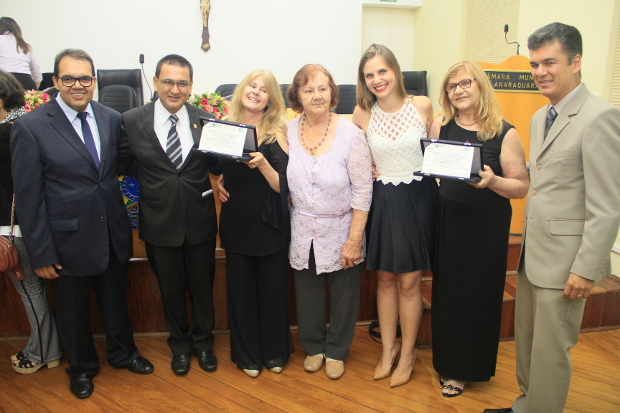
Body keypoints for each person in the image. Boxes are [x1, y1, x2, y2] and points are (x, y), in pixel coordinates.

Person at [483, 23, 620, 413]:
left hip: (567, 263)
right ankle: (527, 404)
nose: (540, 71)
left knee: (551, 351)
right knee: (528, 343)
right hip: (534, 256)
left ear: (576, 62)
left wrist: (586, 269)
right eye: (535, 64)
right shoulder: (540, 117)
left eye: (550, 62)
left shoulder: (600, 117)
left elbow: (607, 204)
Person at [10, 49, 153, 399]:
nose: (78, 85)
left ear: (95, 81)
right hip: (65, 240)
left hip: (110, 232)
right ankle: (82, 368)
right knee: (73, 313)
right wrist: (41, 253)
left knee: (115, 302)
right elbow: (29, 197)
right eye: (69, 78)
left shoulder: (110, 117)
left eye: (85, 78)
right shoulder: (30, 126)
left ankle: (123, 353)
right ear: (55, 81)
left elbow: (119, 168)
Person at [428, 61, 529, 397]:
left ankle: (467, 369)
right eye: (451, 86)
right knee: (450, 294)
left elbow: (521, 186)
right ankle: (448, 363)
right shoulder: (441, 125)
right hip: (450, 220)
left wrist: (493, 180)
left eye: (465, 83)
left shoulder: (504, 131)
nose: (458, 90)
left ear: (480, 85)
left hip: (485, 226)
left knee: (477, 296)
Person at [118, 54, 218, 376]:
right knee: (170, 290)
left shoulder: (205, 120)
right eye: (169, 81)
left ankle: (203, 344)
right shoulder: (132, 120)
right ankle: (179, 345)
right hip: (159, 221)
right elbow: (122, 164)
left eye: (182, 83)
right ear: (156, 82)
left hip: (200, 219)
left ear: (191, 86)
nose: (175, 89)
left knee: (203, 289)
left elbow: (216, 167)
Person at [352, 44, 436, 388]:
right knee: (385, 279)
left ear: (396, 71)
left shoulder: (423, 105)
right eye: (369, 75)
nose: (376, 80)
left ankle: (408, 353)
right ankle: (388, 350)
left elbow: (438, 154)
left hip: (417, 198)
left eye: (382, 71)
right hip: (383, 199)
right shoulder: (361, 113)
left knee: (408, 281)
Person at [287, 64, 373, 380]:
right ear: (297, 95)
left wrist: (354, 239)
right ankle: (313, 347)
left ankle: (337, 350)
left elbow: (364, 191)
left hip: (342, 227)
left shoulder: (351, 134)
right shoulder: (287, 131)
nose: (317, 95)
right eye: (309, 90)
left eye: (323, 88)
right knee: (307, 293)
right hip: (303, 228)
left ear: (333, 92)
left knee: (344, 294)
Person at [215, 69, 292, 378]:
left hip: (270, 223)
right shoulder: (225, 127)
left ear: (271, 99)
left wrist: (262, 164)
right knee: (241, 293)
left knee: (273, 293)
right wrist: (218, 180)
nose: (257, 92)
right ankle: (247, 355)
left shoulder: (279, 132)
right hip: (236, 223)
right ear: (242, 89)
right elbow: (212, 165)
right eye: (252, 85)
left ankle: (274, 352)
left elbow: (284, 187)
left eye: (264, 89)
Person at [0, 70, 61, 374]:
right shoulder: (26, 121)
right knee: (32, 291)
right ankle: (44, 347)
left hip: (13, 228)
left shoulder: (8, 131)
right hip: (27, 224)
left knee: (29, 291)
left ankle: (42, 352)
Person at [0, 17, 41, 90]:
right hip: (26, 82)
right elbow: (36, 70)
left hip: (5, 82)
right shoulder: (24, 45)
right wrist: (34, 89)